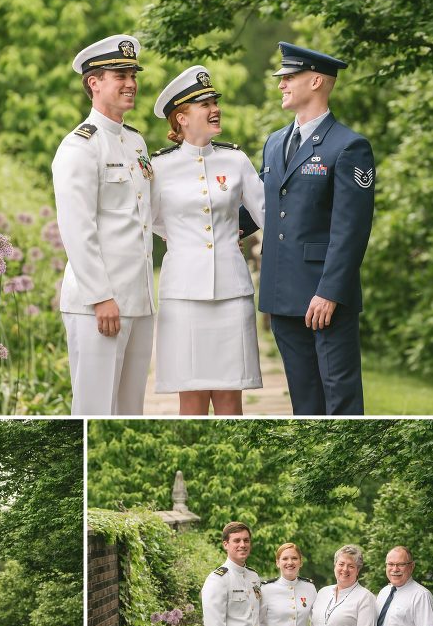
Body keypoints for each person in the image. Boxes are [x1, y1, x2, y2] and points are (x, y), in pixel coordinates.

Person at [242, 41, 375, 415]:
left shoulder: (349, 147)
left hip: (324, 297)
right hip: (281, 295)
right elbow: (262, 208)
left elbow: (352, 229)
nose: (281, 84)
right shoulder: (274, 143)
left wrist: (330, 292)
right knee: (304, 405)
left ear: (316, 81)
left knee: (340, 402)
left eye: (289, 77)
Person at [151, 66, 265, 415]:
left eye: (215, 101)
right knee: (193, 398)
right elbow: (151, 219)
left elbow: (268, 215)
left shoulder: (235, 159)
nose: (215, 108)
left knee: (231, 399)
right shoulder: (158, 167)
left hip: (232, 294)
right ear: (181, 118)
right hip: (183, 297)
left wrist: (231, 234)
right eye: (205, 103)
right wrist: (185, 240)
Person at [53, 34, 155, 415]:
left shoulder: (135, 142)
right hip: (99, 303)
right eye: (119, 74)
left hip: (138, 298)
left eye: (132, 74)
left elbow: (148, 215)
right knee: (95, 409)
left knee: (131, 410)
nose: (130, 83)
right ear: (94, 83)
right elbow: (77, 229)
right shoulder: (80, 146)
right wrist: (100, 297)